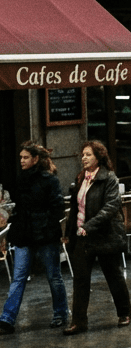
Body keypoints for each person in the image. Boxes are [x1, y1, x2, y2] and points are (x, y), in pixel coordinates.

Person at [63, 140, 131, 336]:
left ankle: (124, 312)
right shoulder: (80, 178)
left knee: (113, 276)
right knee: (81, 280)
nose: (83, 158)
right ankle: (78, 321)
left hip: (104, 235)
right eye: (82, 154)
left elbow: (110, 207)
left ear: (98, 157)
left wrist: (88, 227)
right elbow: (75, 209)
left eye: (88, 155)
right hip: (83, 236)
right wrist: (69, 234)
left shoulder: (109, 178)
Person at [0, 141, 69, 335]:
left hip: (45, 236)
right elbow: (19, 209)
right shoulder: (21, 180)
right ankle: (7, 318)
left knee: (53, 276)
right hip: (24, 235)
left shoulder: (50, 180)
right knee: (19, 277)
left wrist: (43, 225)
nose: (21, 161)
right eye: (20, 157)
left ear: (35, 159)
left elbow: (57, 208)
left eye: (25, 157)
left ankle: (61, 313)